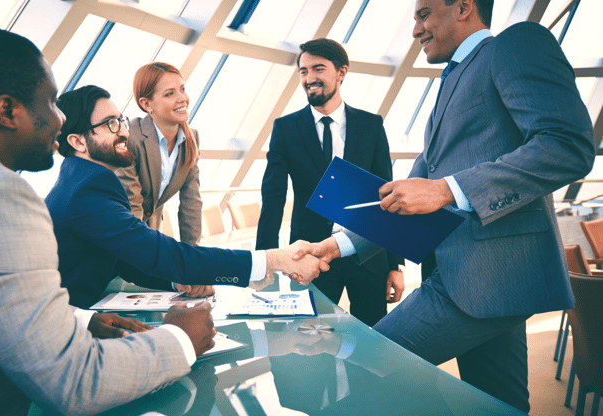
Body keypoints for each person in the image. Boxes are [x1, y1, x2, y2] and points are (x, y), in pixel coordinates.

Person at [0, 26, 227, 415]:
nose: (59, 120)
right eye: (51, 103)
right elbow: (74, 383)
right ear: (7, 111)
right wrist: (179, 338)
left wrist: (79, 321)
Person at [295, 0, 595, 412]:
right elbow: (403, 197)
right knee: (497, 405)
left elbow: (567, 145)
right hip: (479, 282)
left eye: (423, 15)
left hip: (483, 278)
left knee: (364, 367)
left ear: (464, 8)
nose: (415, 29)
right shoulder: (453, 78)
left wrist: (447, 190)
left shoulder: (515, 45)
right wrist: (335, 246)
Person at [45, 85, 326, 309]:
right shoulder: (88, 190)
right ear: (78, 141)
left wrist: (176, 282)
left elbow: (125, 258)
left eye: (121, 120)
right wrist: (275, 259)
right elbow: (159, 252)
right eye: (110, 124)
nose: (124, 131)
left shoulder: (82, 180)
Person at [256, 38, 404, 327]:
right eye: (303, 71)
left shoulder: (370, 125)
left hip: (367, 253)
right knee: (309, 341)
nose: (309, 78)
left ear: (341, 72)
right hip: (310, 254)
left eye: (318, 69)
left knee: (373, 346)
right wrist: (267, 261)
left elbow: (386, 194)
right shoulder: (285, 129)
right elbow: (272, 197)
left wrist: (394, 264)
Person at [116, 62, 202, 248]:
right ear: (147, 104)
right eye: (169, 94)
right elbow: (133, 205)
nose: (182, 99)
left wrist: (193, 257)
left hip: (150, 232)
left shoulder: (191, 138)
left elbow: (191, 203)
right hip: (120, 236)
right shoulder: (132, 137)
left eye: (182, 89)